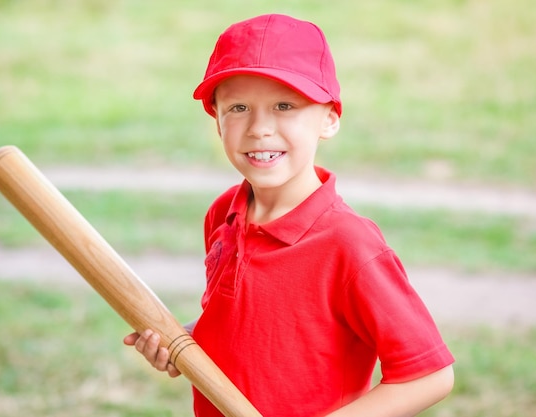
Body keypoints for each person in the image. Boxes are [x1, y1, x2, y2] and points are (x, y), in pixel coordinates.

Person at [124, 13, 455, 417]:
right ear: (217, 121)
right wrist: (186, 345)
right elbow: (257, 330)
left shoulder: (347, 243)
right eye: (239, 107)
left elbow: (429, 375)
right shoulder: (223, 214)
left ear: (329, 119)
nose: (260, 128)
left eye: (285, 106)